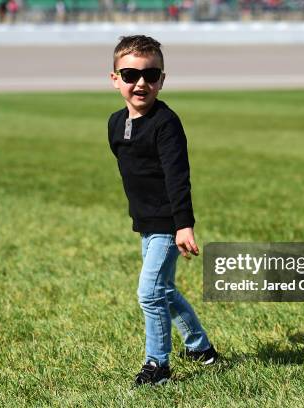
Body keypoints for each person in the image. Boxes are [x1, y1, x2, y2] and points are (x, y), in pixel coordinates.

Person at [107, 35, 218, 387]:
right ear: (115, 79)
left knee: (150, 293)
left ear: (162, 80)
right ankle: (201, 349)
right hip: (146, 222)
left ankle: (158, 366)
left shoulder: (166, 123)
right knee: (165, 290)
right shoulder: (115, 123)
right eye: (130, 75)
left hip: (169, 224)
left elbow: (177, 176)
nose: (141, 83)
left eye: (151, 75)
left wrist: (183, 225)